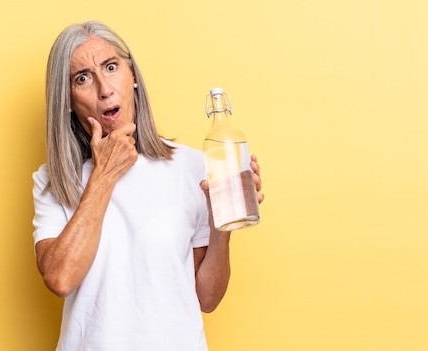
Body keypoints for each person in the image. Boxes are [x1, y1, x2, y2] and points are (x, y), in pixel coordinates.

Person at [31, 21, 264, 351]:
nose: (104, 89)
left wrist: (221, 222)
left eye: (111, 67)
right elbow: (60, 278)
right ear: (67, 99)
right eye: (82, 78)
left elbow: (208, 298)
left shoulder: (193, 166)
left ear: (133, 77)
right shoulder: (53, 182)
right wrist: (104, 175)